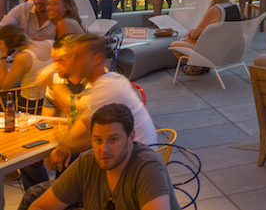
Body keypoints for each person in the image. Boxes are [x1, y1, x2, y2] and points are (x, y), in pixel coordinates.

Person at [29, 103, 181, 210]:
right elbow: (39, 206)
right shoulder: (86, 162)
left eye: (113, 139)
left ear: (131, 138)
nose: (104, 149)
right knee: (33, 196)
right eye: (98, 140)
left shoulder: (147, 167)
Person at [47, 35, 158, 173]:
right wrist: (64, 145)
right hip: (131, 159)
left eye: (78, 57)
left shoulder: (105, 89)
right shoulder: (109, 80)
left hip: (134, 169)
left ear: (97, 59)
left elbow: (87, 136)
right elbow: (84, 120)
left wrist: (54, 84)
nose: (72, 62)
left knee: (64, 180)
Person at [169, 0, 242, 74]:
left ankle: (197, 68)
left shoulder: (216, 10)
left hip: (217, 53)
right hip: (233, 50)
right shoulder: (234, 6)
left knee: (174, 45)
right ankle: (199, 66)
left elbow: (195, 34)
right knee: (184, 40)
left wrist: (190, 34)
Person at [0, 25, 52, 114]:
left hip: (30, 106)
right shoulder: (50, 43)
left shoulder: (23, 57)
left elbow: (5, 86)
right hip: (51, 101)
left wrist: (3, 54)